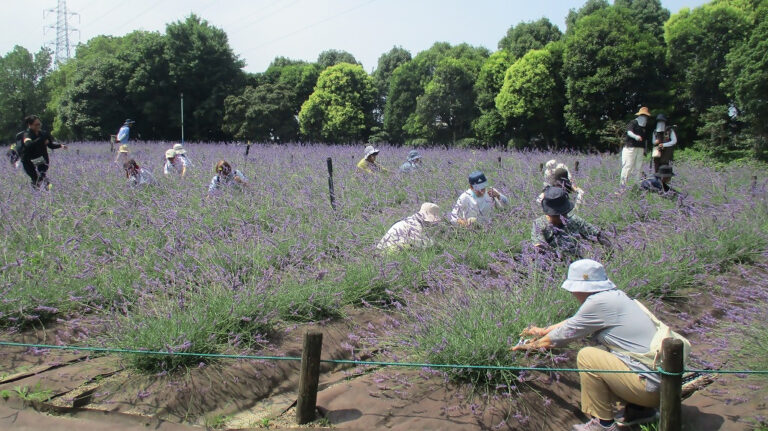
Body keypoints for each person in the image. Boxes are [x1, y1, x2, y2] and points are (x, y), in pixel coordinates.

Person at [513, 259, 690, 430]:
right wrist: (544, 331)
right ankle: (639, 412)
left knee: (588, 356)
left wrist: (530, 346)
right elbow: (576, 320)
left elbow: (560, 337)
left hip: (652, 390)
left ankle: (603, 424)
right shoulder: (615, 297)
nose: (572, 293)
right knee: (612, 354)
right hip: (667, 385)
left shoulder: (597, 304)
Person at [531, 187, 607, 256]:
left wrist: (610, 253)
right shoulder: (539, 224)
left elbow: (598, 235)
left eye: (564, 214)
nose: (562, 217)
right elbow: (539, 247)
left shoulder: (575, 220)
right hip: (553, 265)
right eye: (556, 215)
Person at [19, 115, 66, 188]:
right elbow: (28, 144)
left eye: (39, 124)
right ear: (30, 125)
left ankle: (47, 190)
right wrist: (41, 140)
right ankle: (37, 193)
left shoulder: (42, 133)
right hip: (27, 159)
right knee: (35, 178)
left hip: (37, 158)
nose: (38, 126)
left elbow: (50, 145)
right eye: (36, 124)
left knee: (42, 174)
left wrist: (60, 146)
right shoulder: (27, 134)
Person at [376, 202, 441, 251]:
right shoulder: (415, 225)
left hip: (386, 248)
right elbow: (419, 244)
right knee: (410, 248)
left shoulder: (413, 220)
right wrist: (434, 245)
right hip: (387, 251)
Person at [621, 107, 651, 187]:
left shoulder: (645, 127)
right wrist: (636, 136)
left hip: (640, 148)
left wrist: (645, 149)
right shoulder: (633, 122)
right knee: (627, 166)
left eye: (646, 116)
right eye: (643, 115)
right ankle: (622, 186)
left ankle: (637, 186)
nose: (645, 117)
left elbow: (646, 139)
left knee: (638, 167)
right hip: (630, 147)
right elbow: (629, 132)